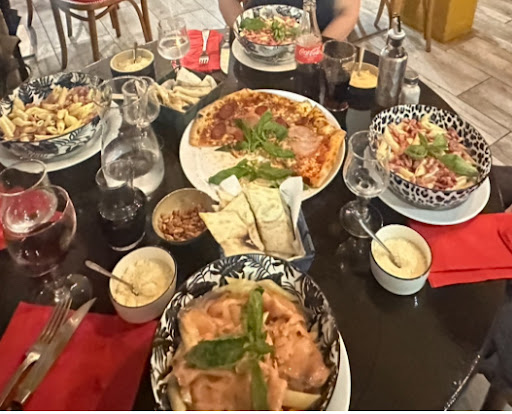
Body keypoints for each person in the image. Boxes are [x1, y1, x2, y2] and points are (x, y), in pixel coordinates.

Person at [219, 0, 361, 41]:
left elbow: (348, 12)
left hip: (317, 49)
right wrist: (246, 33)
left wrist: (320, 47)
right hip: (256, 50)